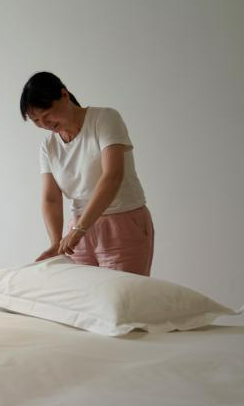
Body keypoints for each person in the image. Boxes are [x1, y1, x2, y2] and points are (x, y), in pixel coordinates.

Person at [21, 71, 154, 275]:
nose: (44, 124)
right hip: (79, 233)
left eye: (46, 115)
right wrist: (56, 242)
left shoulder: (105, 119)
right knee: (82, 295)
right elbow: (51, 199)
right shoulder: (49, 146)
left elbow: (112, 176)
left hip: (121, 224)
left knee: (123, 293)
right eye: (36, 120)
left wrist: (79, 230)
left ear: (64, 95)